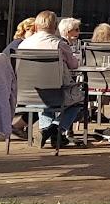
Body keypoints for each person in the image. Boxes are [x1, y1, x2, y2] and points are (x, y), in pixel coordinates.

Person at [18, 11, 81, 148]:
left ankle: (48, 133)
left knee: (46, 99)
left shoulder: (23, 45)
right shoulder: (59, 44)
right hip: (56, 93)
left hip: (29, 94)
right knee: (78, 101)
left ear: (36, 27)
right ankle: (54, 129)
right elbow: (74, 65)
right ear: (55, 26)